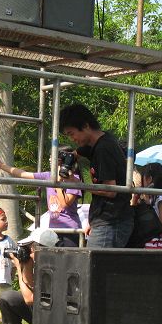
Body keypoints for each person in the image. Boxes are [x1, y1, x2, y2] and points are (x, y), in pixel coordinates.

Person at [59, 104, 133, 248]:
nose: (72, 139)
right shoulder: (100, 143)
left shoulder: (103, 148)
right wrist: (68, 158)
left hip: (110, 221)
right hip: (105, 220)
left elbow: (110, 190)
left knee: (95, 263)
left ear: (85, 126)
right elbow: (79, 152)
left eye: (71, 133)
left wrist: (77, 183)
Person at [0, 146, 82, 247]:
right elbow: (23, 174)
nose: (50, 159)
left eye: (52, 157)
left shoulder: (74, 179)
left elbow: (65, 204)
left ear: (62, 159)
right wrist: (0, 165)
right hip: (53, 231)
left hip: (70, 230)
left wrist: (58, 184)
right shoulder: (48, 176)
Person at [0, 228, 59, 324]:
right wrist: (26, 266)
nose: (27, 251)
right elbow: (31, 287)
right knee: (8, 297)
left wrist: (19, 267)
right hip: (40, 310)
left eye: (29, 248)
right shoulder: (40, 262)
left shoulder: (53, 267)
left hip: (53, 318)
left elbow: (29, 299)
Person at [132, 162, 162, 249]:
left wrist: (147, 204)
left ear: (149, 179)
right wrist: (135, 199)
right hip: (151, 243)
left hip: (159, 245)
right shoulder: (152, 198)